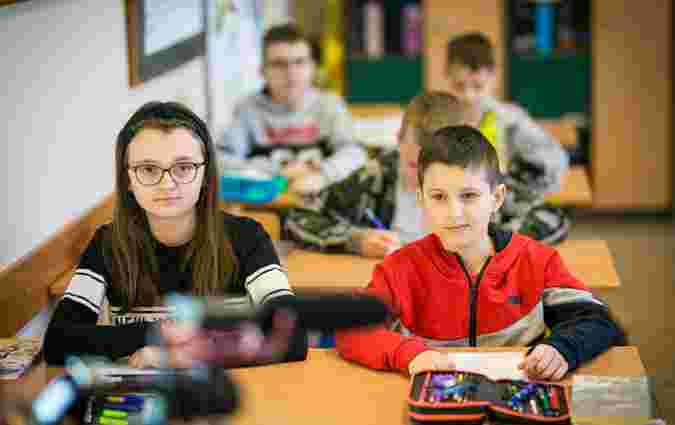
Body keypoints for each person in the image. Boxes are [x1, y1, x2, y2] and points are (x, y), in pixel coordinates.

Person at [335, 126, 624, 380]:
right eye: (438, 197)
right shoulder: (400, 268)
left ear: (496, 198)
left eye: (469, 196)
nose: (454, 213)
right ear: (421, 200)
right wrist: (409, 355)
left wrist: (561, 348)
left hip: (517, 402)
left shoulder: (536, 261)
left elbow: (596, 320)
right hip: (437, 403)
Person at [43, 101, 308, 366]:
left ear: (205, 175)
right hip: (141, 389)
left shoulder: (247, 237)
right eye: (148, 169)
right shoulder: (107, 243)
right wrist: (159, 333)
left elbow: (293, 335)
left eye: (183, 167)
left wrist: (184, 353)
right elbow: (58, 342)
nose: (167, 183)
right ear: (128, 180)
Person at [285, 91, 563, 258]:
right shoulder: (377, 176)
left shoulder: (480, 179)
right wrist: (355, 239)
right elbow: (301, 217)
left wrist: (492, 241)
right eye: (413, 166)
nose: (425, 184)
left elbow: (551, 218)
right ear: (398, 141)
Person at [446, 32, 570, 243]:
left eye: (477, 86)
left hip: (502, 210)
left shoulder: (510, 120)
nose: (468, 96)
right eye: (459, 86)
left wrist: (521, 174)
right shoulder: (439, 119)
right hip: (455, 212)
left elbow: (556, 161)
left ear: (493, 78)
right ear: (447, 76)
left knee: (548, 220)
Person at [219, 23, 367, 195]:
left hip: (318, 199)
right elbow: (219, 160)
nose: (291, 72)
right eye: (279, 64)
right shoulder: (247, 108)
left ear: (312, 67)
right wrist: (278, 170)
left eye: (299, 62)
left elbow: (356, 154)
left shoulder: (330, 105)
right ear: (262, 71)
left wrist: (322, 175)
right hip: (266, 203)